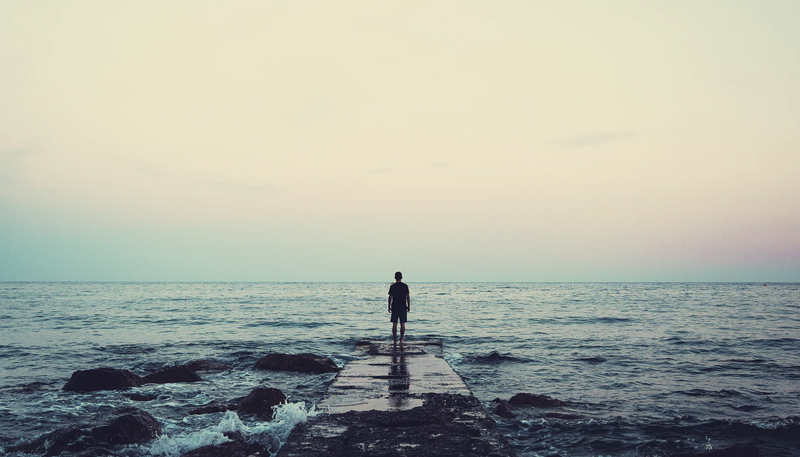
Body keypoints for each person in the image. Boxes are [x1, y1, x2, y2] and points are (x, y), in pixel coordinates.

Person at [388, 271, 410, 346]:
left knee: (394, 323)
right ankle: (401, 339)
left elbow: (390, 297)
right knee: (402, 323)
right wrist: (409, 305)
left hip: (395, 306)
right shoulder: (405, 286)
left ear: (395, 277)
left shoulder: (392, 286)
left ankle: (394, 340)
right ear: (401, 277)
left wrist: (389, 306)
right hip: (403, 306)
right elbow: (408, 296)